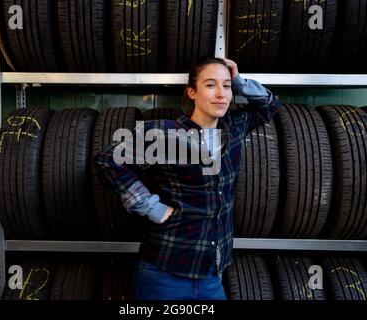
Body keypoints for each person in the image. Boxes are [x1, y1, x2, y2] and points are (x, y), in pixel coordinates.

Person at [94, 56, 281, 300]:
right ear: (192, 92)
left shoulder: (234, 127)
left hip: (211, 276)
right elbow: (108, 159)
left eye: (226, 86)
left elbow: (270, 105)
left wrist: (239, 81)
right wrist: (149, 206)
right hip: (163, 272)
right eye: (210, 85)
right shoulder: (164, 133)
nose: (221, 94)